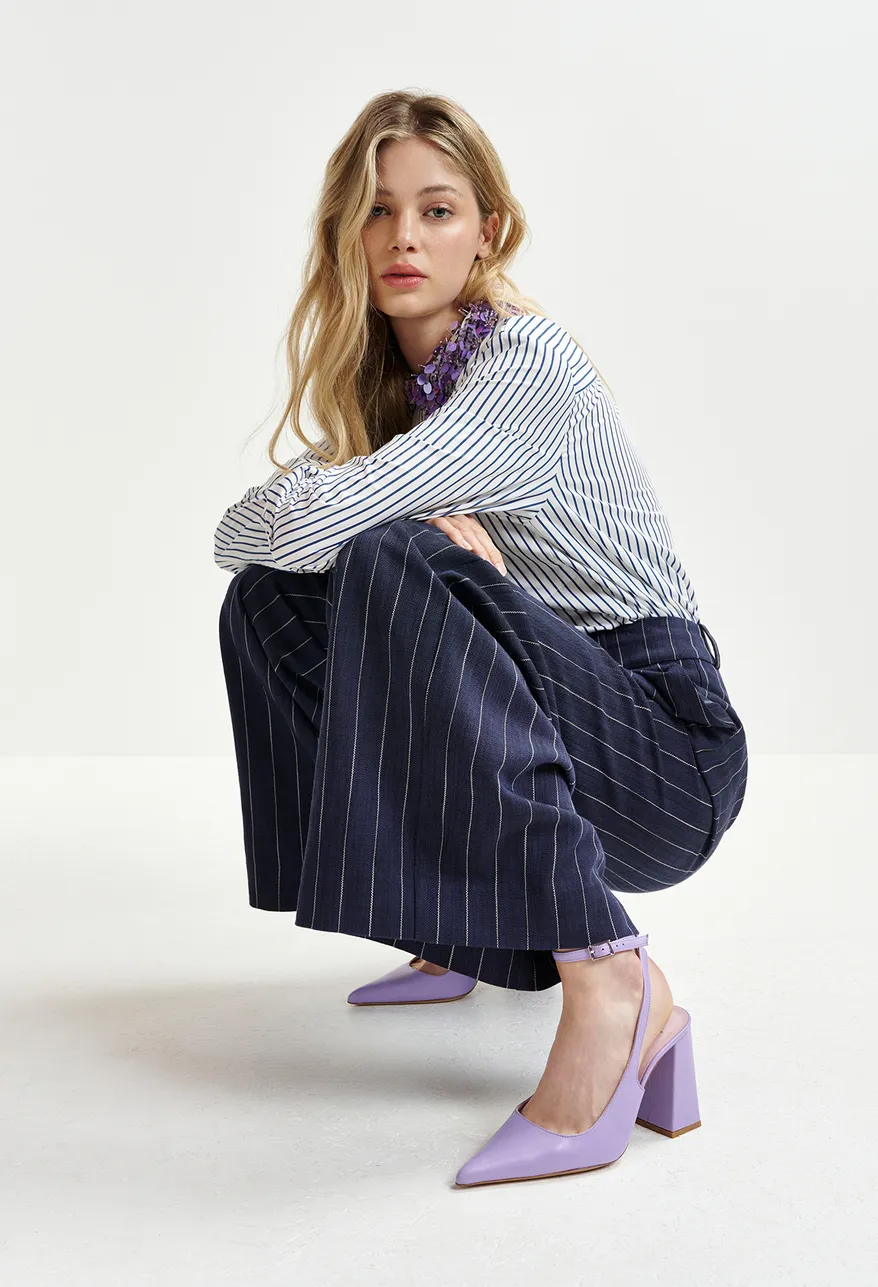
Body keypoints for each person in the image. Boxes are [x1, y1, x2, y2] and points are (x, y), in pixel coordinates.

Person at [214, 90, 748, 1188]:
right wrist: (369, 511)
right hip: (576, 717)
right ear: (344, 236)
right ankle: (454, 928)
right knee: (269, 602)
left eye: (438, 209)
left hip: (666, 748)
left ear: (487, 231)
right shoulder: (402, 399)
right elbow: (244, 542)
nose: (403, 237)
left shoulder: (522, 369)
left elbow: (307, 517)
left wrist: (360, 511)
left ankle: (614, 986)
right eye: (375, 211)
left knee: (385, 556)